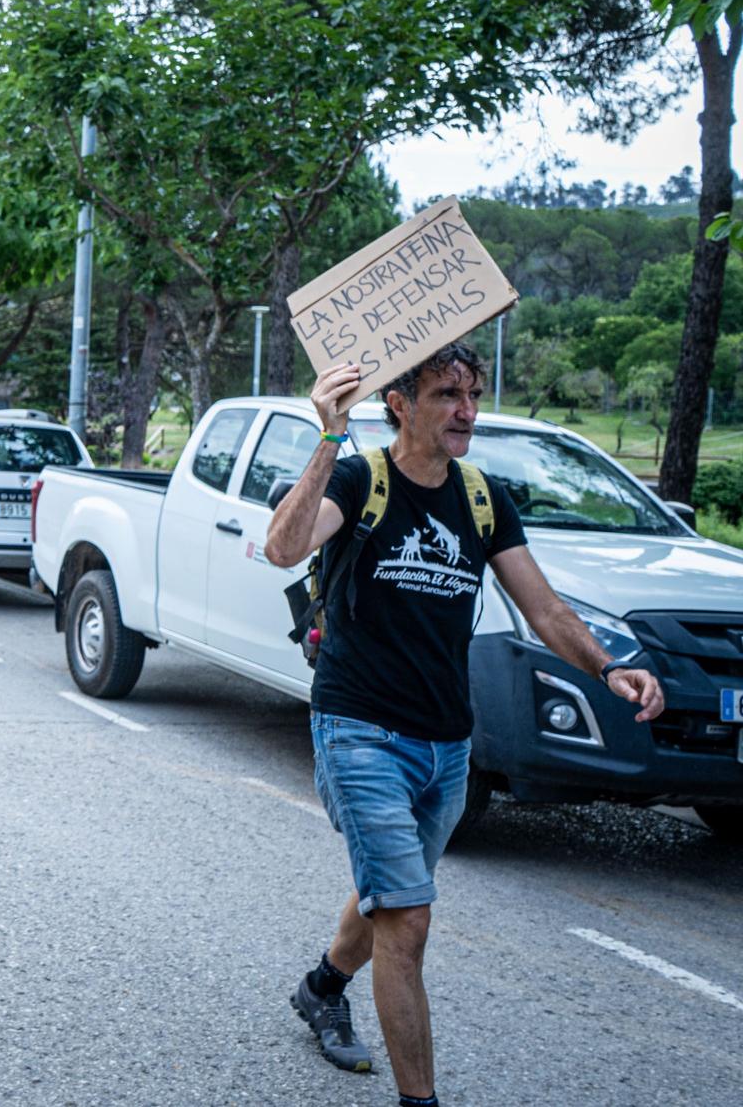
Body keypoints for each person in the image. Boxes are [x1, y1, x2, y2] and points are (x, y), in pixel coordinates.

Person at [263, 343, 665, 1107]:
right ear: (399, 404)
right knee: (407, 917)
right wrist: (327, 432)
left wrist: (610, 668)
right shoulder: (360, 478)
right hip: (358, 732)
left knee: (389, 891)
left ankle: (322, 988)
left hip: (449, 747)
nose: (467, 411)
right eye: (448, 394)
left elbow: (542, 608)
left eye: (472, 394)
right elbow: (283, 546)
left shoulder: (482, 498)